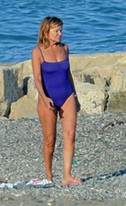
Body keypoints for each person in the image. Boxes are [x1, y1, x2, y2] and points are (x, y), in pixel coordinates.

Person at [31, 16, 81, 185]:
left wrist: (75, 96)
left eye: (61, 30)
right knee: (50, 141)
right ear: (46, 32)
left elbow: (68, 74)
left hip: (66, 94)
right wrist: (44, 98)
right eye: (57, 31)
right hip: (48, 98)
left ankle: (67, 175)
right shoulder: (37, 51)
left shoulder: (65, 48)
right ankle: (49, 176)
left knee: (70, 135)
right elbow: (37, 79)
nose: (60, 33)